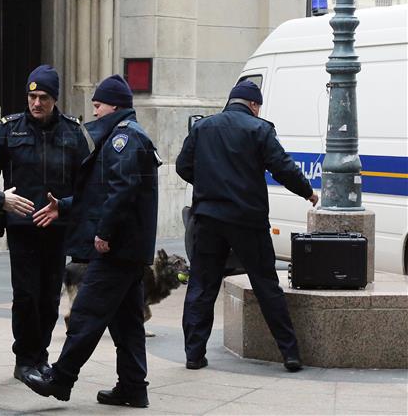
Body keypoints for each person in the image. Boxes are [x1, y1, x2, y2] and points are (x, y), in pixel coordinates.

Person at [23, 74, 161, 409]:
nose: (94, 110)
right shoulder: (123, 135)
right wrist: (65, 207)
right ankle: (132, 386)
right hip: (127, 248)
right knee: (127, 321)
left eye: (98, 104)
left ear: (114, 104)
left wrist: (104, 233)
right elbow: (101, 195)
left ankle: (61, 378)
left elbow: (122, 191)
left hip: (117, 247)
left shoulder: (124, 139)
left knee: (86, 313)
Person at [175, 79, 318, 372]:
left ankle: (193, 354)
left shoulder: (202, 128)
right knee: (266, 284)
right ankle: (289, 353)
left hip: (208, 218)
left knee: (202, 286)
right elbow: (283, 168)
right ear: (254, 105)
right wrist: (307, 191)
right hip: (247, 220)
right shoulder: (260, 129)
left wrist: (207, 185)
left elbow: (182, 166)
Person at [0, 64, 90, 381]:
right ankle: (25, 358)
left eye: (43, 97)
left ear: (55, 99)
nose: (35, 103)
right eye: (31, 96)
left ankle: (40, 356)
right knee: (25, 296)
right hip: (22, 227)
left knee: (49, 297)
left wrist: (65, 209)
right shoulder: (9, 130)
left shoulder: (73, 131)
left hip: (56, 229)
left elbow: (89, 183)